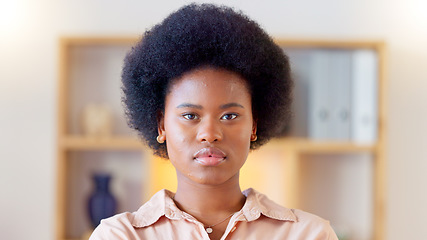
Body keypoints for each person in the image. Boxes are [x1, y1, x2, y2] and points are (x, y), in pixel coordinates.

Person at [90, 3, 338, 240]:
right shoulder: (119, 235)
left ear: (254, 125)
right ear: (162, 125)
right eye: (190, 116)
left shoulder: (309, 235)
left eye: (229, 116)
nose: (209, 133)